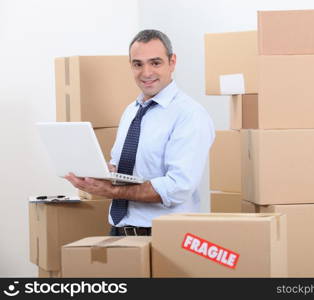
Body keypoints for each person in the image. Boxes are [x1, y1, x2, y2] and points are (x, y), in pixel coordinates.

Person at [65, 29, 215, 236]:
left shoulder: (190, 115)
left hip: (163, 235)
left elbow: (178, 186)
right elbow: (126, 167)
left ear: (172, 62)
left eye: (155, 63)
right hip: (119, 229)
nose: (146, 73)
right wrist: (99, 173)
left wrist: (112, 191)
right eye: (138, 64)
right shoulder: (132, 111)